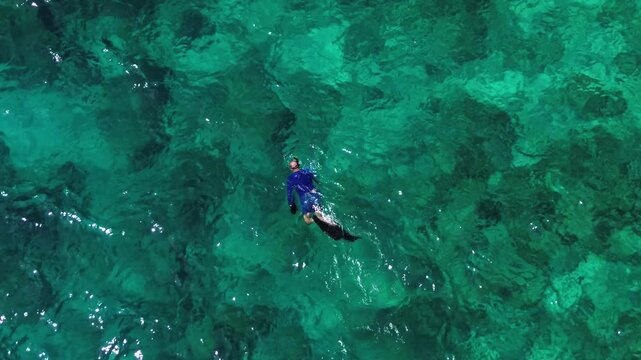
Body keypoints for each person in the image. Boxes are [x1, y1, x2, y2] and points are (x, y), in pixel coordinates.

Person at [286, 157, 359, 241]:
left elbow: (289, 195)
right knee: (320, 214)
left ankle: (315, 219)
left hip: (305, 199)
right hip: (314, 194)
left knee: (307, 219)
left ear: (291, 169)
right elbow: (318, 180)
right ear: (299, 165)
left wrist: (292, 205)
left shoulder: (290, 178)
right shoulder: (307, 170)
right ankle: (340, 231)